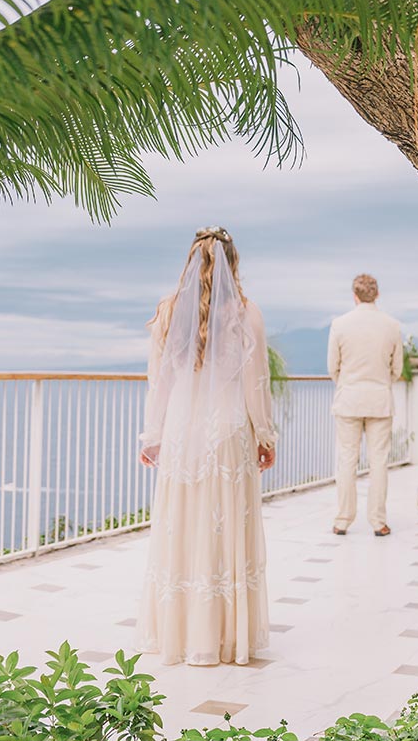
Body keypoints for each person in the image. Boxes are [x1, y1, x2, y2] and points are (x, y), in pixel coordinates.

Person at [136, 226, 277, 666]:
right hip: (229, 432)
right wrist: (266, 435)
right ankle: (225, 638)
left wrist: (153, 436)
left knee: (184, 527)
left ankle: (180, 635)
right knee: (224, 530)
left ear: (190, 261)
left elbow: (158, 383)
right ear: (234, 264)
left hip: (182, 432)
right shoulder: (247, 313)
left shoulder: (167, 311)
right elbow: (257, 384)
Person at [327, 274, 403, 537]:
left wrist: (347, 383)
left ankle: (342, 520)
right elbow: (397, 369)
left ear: (354, 295)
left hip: (348, 399)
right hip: (380, 400)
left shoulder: (339, 325)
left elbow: (332, 367)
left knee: (346, 461)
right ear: (377, 294)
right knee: (379, 461)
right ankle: (378, 521)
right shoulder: (392, 326)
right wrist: (381, 383)